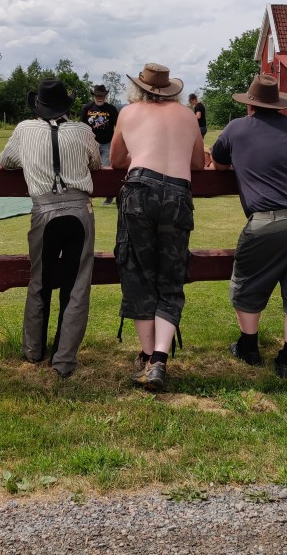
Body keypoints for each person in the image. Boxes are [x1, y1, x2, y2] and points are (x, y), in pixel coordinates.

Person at [210, 74, 287, 378]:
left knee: (248, 284)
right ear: (278, 105)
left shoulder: (236, 128)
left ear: (249, 105)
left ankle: (248, 347)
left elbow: (218, 163)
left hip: (269, 220)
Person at [111, 63, 205, 390]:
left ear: (139, 88)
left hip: (140, 188)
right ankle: (159, 360)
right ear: (171, 91)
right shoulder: (187, 116)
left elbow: (116, 160)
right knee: (171, 276)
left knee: (137, 271)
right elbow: (197, 162)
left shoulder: (128, 112)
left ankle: (147, 354)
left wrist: (141, 153)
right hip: (178, 192)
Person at [0, 79, 101, 378]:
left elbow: (6, 161)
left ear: (38, 106)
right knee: (77, 285)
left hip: (43, 210)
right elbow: (95, 163)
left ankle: (33, 350)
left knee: (39, 280)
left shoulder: (24, 129)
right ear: (66, 106)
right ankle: (64, 359)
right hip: (79, 210)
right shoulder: (83, 130)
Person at [80, 84, 119, 204]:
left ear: (105, 96)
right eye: (98, 95)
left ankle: (109, 195)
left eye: (102, 95)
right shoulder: (86, 108)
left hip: (107, 144)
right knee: (88, 169)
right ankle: (89, 195)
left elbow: (118, 127)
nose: (100, 98)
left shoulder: (111, 109)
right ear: (94, 96)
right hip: (90, 144)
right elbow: (81, 126)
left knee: (106, 169)